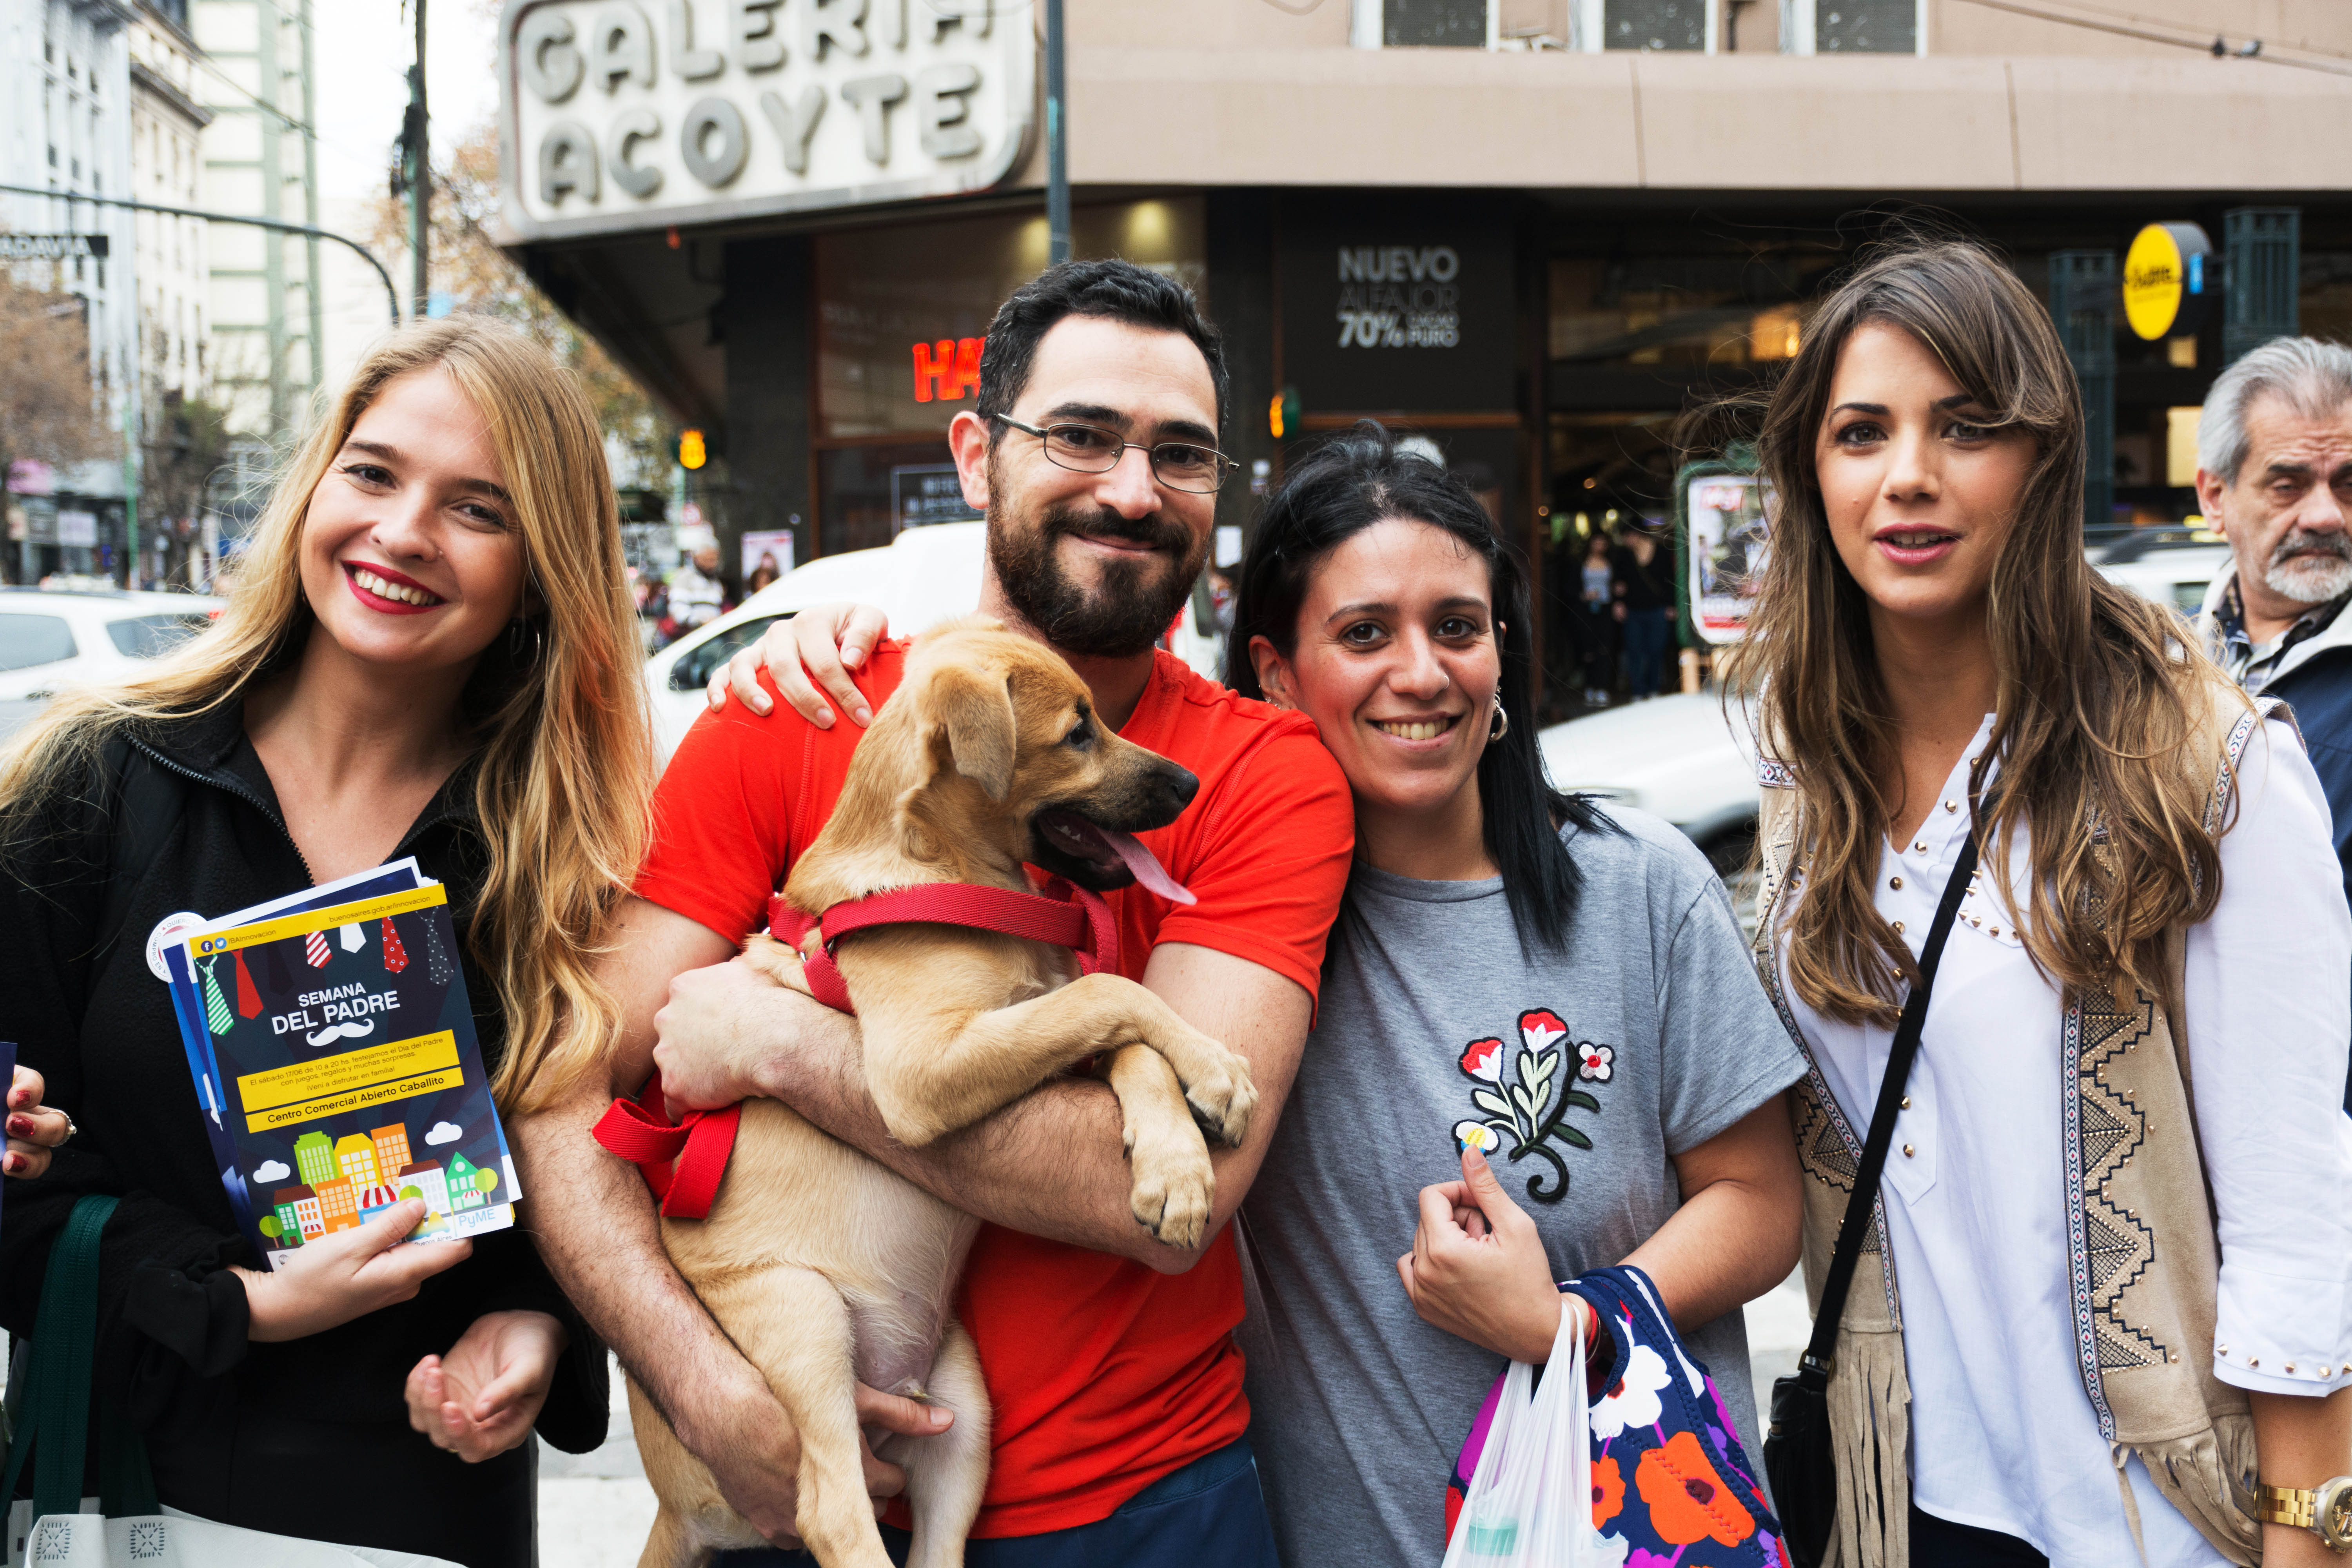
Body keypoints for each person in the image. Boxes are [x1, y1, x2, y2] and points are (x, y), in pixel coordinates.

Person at [512, 258, 1355, 1565]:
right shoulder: (795, 714)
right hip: (789, 1495)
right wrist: (703, 1383)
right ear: (976, 455)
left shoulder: (1262, 775)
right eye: (1081, 435)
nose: (1133, 490)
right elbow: (564, 1093)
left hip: (1143, 1510)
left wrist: (785, 1047)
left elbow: (1165, 1193)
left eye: (1180, 455)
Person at [0, 316, 650, 1566]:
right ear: (314, 485)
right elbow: (20, 1198)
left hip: (421, 1516)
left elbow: (617, 1169)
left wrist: (541, 1325)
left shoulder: (571, 857)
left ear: (542, 565)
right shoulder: (95, 781)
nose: (403, 532)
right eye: (373, 471)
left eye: (480, 508)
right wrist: (241, 1305)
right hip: (124, 1498)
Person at [1742, 240, 2352, 1568]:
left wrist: (2313, 1542)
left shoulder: (2209, 764)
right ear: (1813, 476)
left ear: (2041, 458)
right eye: (1863, 432)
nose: (1910, 475)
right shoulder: (1805, 783)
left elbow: (2297, 1231)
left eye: (1966, 427)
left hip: (2154, 1518)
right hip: (1910, 1502)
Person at [1210, 425, 1805, 1568]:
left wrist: (1564, 1320)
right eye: (1364, 633)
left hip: (1627, 1531)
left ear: (1501, 654)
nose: (1421, 672)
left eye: (1456, 627)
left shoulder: (1640, 886)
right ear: (1278, 673)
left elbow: (1758, 1200)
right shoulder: (1237, 932)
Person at [2190, 338, 2352, 1109]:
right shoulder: (2156, 667)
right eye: (2288, 483)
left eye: (2349, 483)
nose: (2324, 513)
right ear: (2215, 497)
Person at [1610, 523, 1675, 699]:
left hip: (1658, 610)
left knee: (1656, 649)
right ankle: (1638, 691)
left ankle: (1654, 688)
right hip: (1633, 611)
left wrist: (1672, 605)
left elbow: (1670, 580)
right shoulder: (1624, 555)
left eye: (1628, 536)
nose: (1626, 541)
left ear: (1637, 534)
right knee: (1634, 650)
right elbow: (1617, 582)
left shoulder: (1661, 552)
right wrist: (1618, 602)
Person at [1573, 528, 1618, 706]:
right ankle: (1589, 687)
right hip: (1586, 610)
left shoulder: (1612, 562)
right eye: (1597, 541)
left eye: (1603, 542)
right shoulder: (1580, 563)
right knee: (1588, 650)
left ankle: (1602, 687)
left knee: (1605, 648)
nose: (1600, 545)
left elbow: (1618, 584)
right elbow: (1570, 587)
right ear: (1590, 543)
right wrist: (1583, 595)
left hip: (1606, 608)